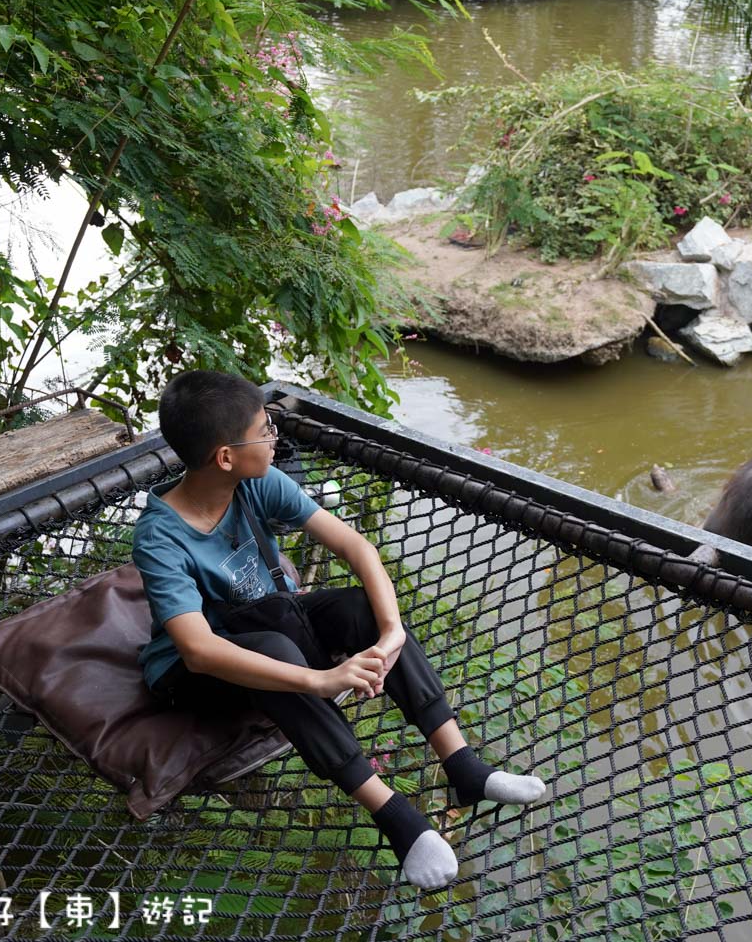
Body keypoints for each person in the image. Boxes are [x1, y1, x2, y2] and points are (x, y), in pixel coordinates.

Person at [132, 371, 545, 891]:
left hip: (270, 619)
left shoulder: (255, 483)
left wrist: (390, 632)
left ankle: (465, 767)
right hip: (198, 673)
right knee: (280, 650)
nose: (274, 436)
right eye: (264, 430)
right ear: (225, 457)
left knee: (360, 609)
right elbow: (198, 651)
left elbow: (358, 550)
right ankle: (397, 820)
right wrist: (321, 682)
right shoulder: (160, 537)